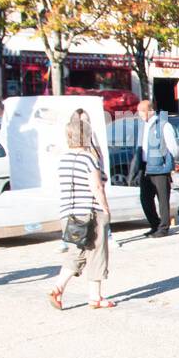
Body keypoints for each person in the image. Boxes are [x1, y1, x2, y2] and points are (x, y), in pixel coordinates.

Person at [48, 109, 114, 310]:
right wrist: (106, 209)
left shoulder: (63, 159)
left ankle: (58, 287)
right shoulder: (88, 159)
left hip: (68, 212)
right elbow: (96, 186)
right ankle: (95, 296)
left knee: (78, 251)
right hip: (90, 212)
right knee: (97, 252)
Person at [129, 100, 179, 237]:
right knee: (145, 199)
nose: (139, 114)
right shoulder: (143, 127)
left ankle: (163, 228)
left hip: (160, 167)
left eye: (141, 111)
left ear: (150, 110)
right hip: (145, 167)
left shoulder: (163, 125)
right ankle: (154, 224)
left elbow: (172, 148)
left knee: (163, 200)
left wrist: (165, 162)